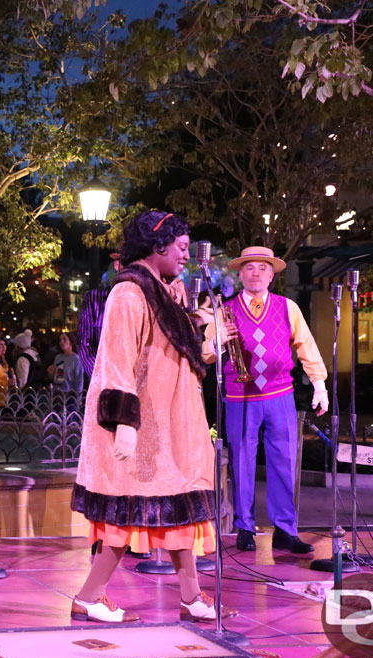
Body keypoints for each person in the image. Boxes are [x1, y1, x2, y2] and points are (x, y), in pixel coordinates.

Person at [71, 210, 235, 624]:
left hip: (171, 421)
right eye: (180, 248)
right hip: (142, 424)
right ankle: (89, 596)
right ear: (157, 246)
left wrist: (206, 333)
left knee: (181, 507)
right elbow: (115, 359)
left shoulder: (160, 292)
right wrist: (124, 423)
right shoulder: (129, 293)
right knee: (127, 512)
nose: (186, 256)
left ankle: (192, 597)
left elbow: (175, 356)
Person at [203, 246, 328, 554]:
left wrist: (319, 384)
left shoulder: (288, 307)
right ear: (240, 273)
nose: (255, 273)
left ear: (272, 276)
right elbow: (206, 353)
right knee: (242, 462)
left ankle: (285, 530)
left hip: (280, 394)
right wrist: (219, 340)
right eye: (249, 268)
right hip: (239, 396)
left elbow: (306, 346)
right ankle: (245, 527)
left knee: (284, 461)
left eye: (262, 268)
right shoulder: (225, 309)